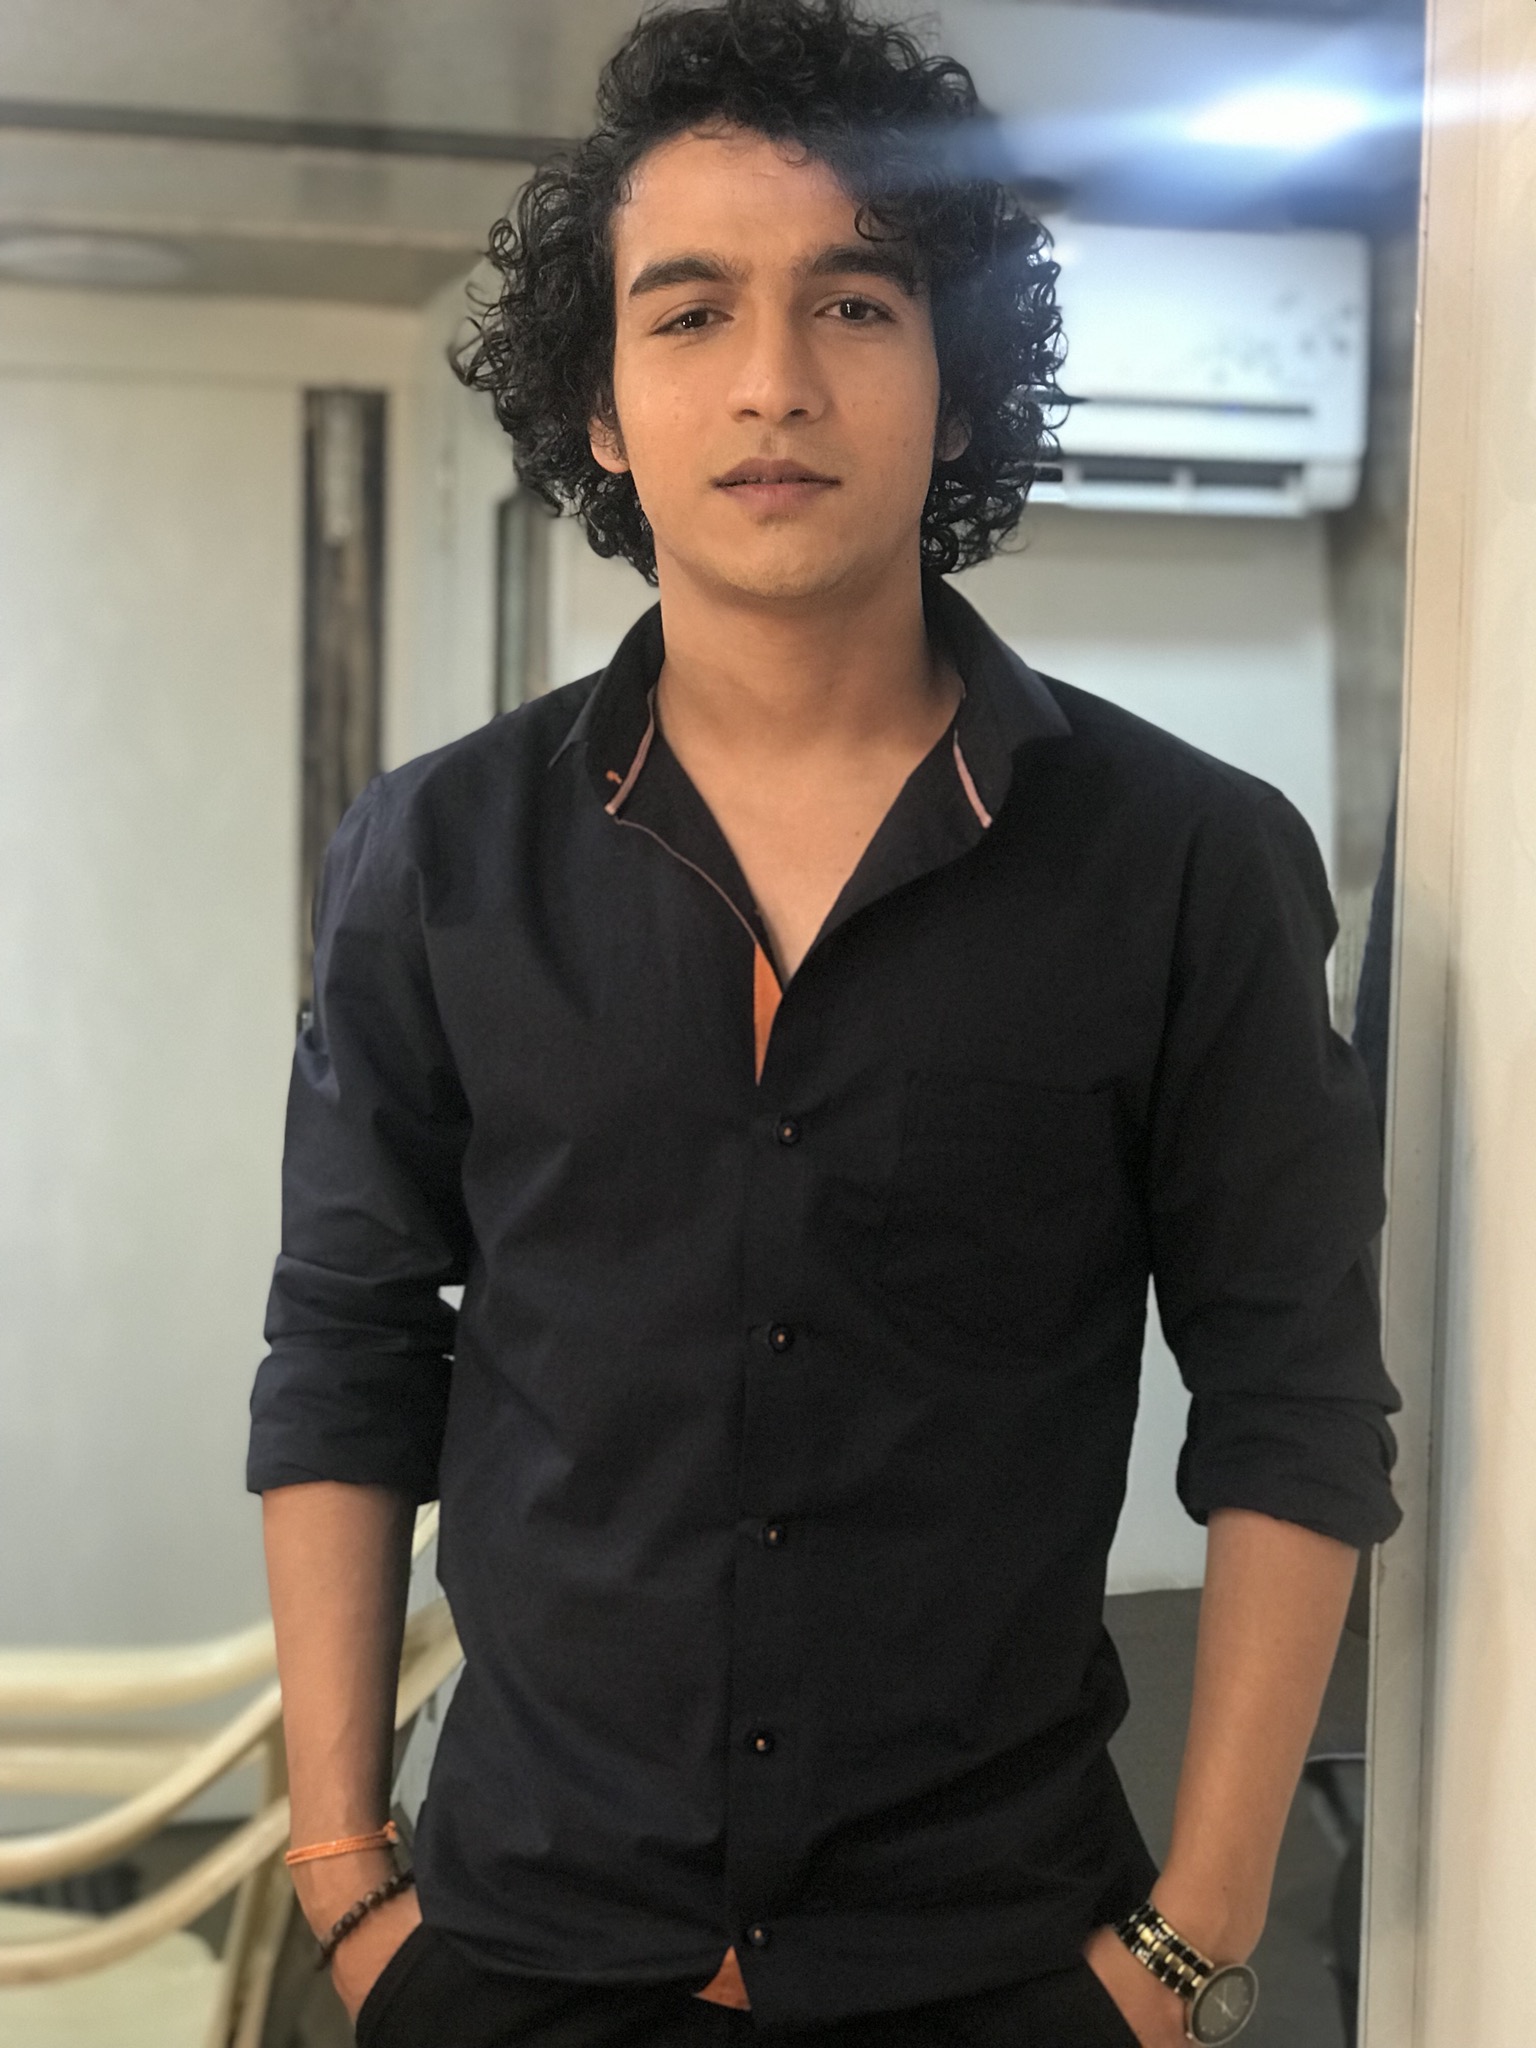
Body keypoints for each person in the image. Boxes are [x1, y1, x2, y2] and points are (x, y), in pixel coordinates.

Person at [247, 4, 1401, 2044]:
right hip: (510, 1958)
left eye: (856, 304)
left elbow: (1294, 1398)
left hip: (1001, 1965)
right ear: (602, 406)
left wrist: (1191, 1944)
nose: (774, 380)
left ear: (955, 381)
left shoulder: (1187, 863)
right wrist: (344, 1868)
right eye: (691, 313)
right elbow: (345, 1354)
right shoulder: (433, 856)